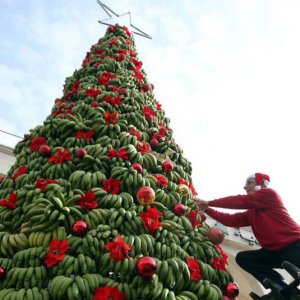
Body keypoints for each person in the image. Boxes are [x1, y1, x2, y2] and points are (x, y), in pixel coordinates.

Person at [194, 173, 300, 297]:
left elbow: (239, 201)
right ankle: (279, 286)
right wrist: (207, 210)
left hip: (294, 245)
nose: (245, 187)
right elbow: (230, 220)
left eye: (249, 182)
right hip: (274, 253)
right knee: (244, 258)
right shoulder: (251, 213)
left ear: (261, 183)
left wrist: (209, 203)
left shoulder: (269, 194)